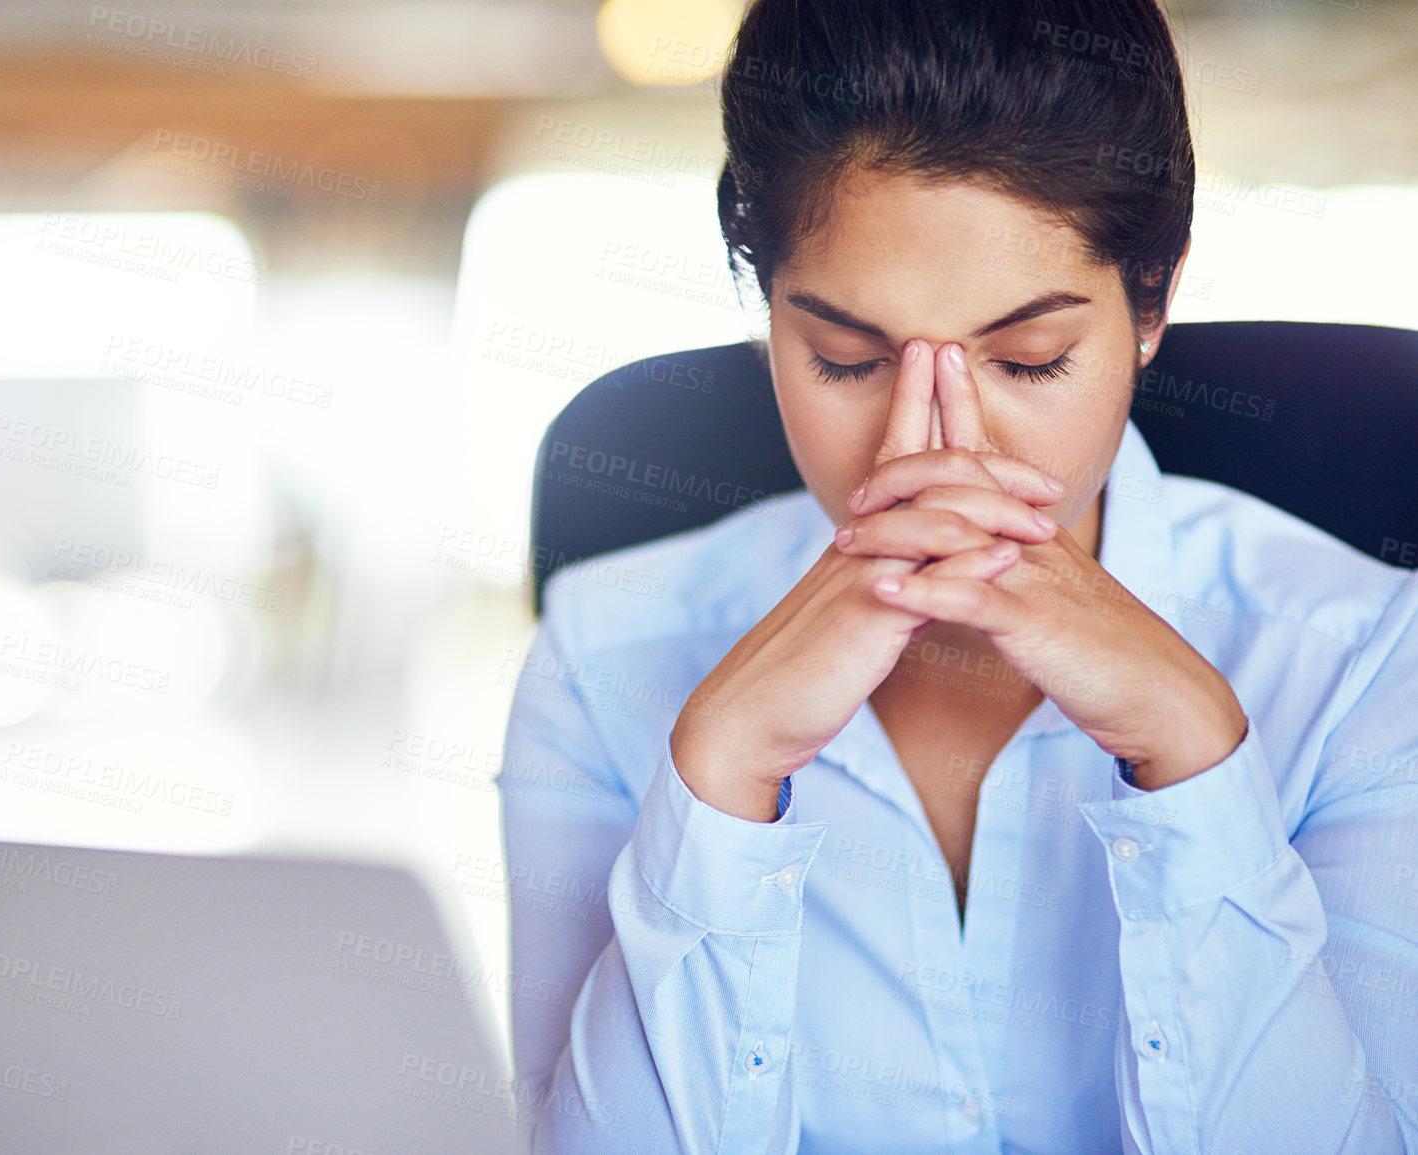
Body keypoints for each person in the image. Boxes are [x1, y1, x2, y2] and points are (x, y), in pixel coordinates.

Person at [494, 0, 1418, 1151]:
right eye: (846, 358)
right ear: (765, 308)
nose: (929, 453)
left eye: (1029, 360)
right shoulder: (605, 652)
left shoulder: (1363, 658)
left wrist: (1198, 762)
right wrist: (719, 782)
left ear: (1153, 299)